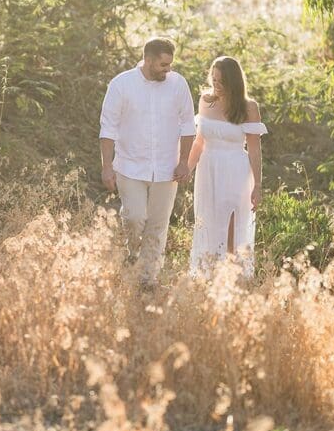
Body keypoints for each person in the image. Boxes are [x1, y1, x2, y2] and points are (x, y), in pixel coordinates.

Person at [99, 37, 196, 291]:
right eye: (163, 65)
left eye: (170, 65)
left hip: (167, 167)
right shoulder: (121, 84)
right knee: (134, 217)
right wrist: (107, 166)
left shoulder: (178, 84)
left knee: (157, 224)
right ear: (149, 60)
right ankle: (130, 256)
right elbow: (108, 128)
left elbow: (188, 125)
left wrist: (184, 161)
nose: (168, 70)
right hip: (130, 166)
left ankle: (147, 279)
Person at [187, 56, 269, 282]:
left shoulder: (248, 107)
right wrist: (187, 169)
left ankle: (231, 280)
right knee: (209, 223)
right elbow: (198, 142)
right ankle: (210, 278)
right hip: (208, 170)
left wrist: (258, 185)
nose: (216, 85)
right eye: (214, 80)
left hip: (236, 171)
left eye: (221, 81)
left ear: (234, 82)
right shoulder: (206, 101)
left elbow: (254, 150)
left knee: (232, 224)